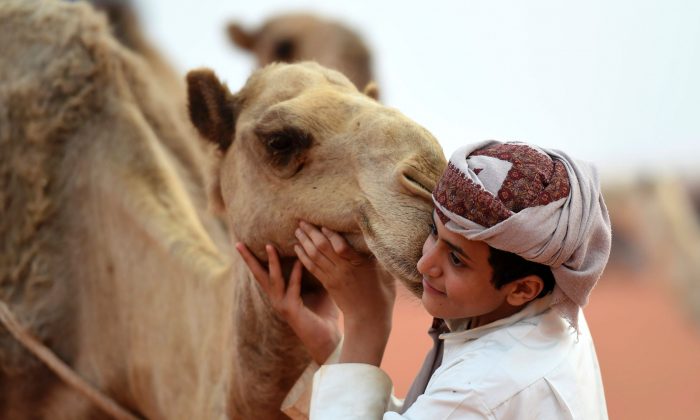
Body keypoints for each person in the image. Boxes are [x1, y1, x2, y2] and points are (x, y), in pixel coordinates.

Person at [236, 140, 611, 419]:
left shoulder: (482, 390)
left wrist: (367, 320)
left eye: (456, 259)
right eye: (434, 231)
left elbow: (462, 403)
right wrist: (334, 350)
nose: (425, 263)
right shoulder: (548, 311)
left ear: (521, 288)